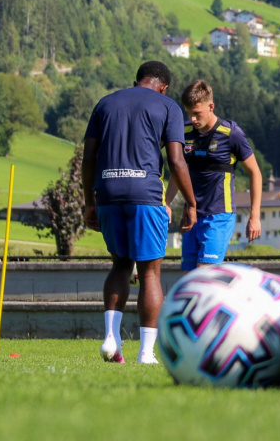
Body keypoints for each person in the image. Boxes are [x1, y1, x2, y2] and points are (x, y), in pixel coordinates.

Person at [82, 60, 197, 364]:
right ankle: (146, 353)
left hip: (107, 190)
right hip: (144, 193)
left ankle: (110, 337)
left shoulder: (104, 104)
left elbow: (88, 158)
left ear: (138, 80)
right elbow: (175, 160)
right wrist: (191, 203)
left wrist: (89, 202)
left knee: (120, 264)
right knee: (149, 272)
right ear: (163, 86)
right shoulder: (168, 106)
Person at [165, 79, 262, 271]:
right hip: (191, 216)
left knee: (204, 274)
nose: (192, 119)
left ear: (211, 106)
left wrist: (255, 216)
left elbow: (255, 173)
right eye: (189, 113)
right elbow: (178, 171)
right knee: (189, 279)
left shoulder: (230, 133)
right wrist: (166, 203)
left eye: (197, 113)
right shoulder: (184, 133)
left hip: (219, 216)